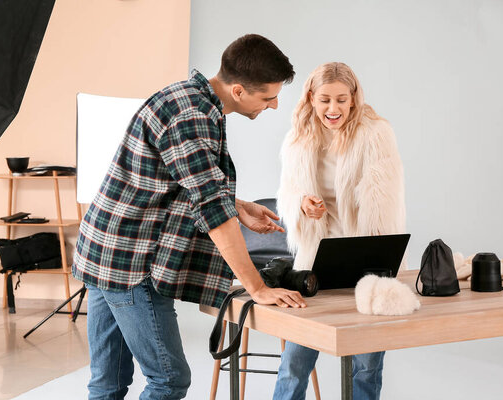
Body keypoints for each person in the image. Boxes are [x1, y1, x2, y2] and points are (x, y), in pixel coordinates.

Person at [72, 34, 307, 400]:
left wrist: (239, 205)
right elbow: (213, 213)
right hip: (131, 263)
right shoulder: (191, 117)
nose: (275, 105)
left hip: (103, 250)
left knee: (108, 384)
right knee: (168, 381)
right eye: (268, 97)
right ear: (240, 90)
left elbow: (178, 178)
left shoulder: (190, 98)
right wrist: (258, 289)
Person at [274, 62, 406, 400]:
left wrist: (378, 244)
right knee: (295, 362)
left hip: (365, 260)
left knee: (366, 366)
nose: (333, 109)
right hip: (314, 260)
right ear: (311, 99)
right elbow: (288, 193)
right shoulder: (298, 139)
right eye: (324, 100)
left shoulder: (376, 134)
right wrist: (303, 205)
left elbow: (384, 197)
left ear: (353, 99)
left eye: (341, 100)